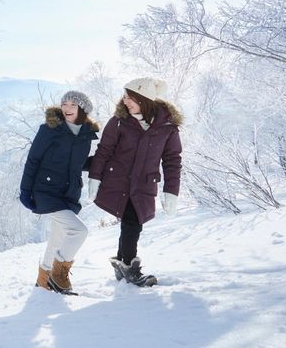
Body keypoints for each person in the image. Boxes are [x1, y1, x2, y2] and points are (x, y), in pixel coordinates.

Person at [87, 77, 182, 286]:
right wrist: (94, 176)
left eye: (131, 98)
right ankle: (129, 268)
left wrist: (171, 191)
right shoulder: (119, 121)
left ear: (144, 99)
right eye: (125, 96)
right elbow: (104, 151)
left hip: (144, 184)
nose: (125, 101)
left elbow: (172, 160)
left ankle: (122, 264)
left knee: (133, 222)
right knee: (132, 222)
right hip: (118, 181)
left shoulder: (167, 127)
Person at [19, 90, 99, 295]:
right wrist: (25, 189)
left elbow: (78, 163)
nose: (67, 108)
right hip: (45, 191)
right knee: (78, 231)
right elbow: (33, 159)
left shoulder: (85, 135)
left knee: (58, 237)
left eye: (73, 104)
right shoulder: (50, 129)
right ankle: (58, 276)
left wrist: (104, 164)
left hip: (69, 194)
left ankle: (43, 281)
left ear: (83, 109)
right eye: (64, 103)